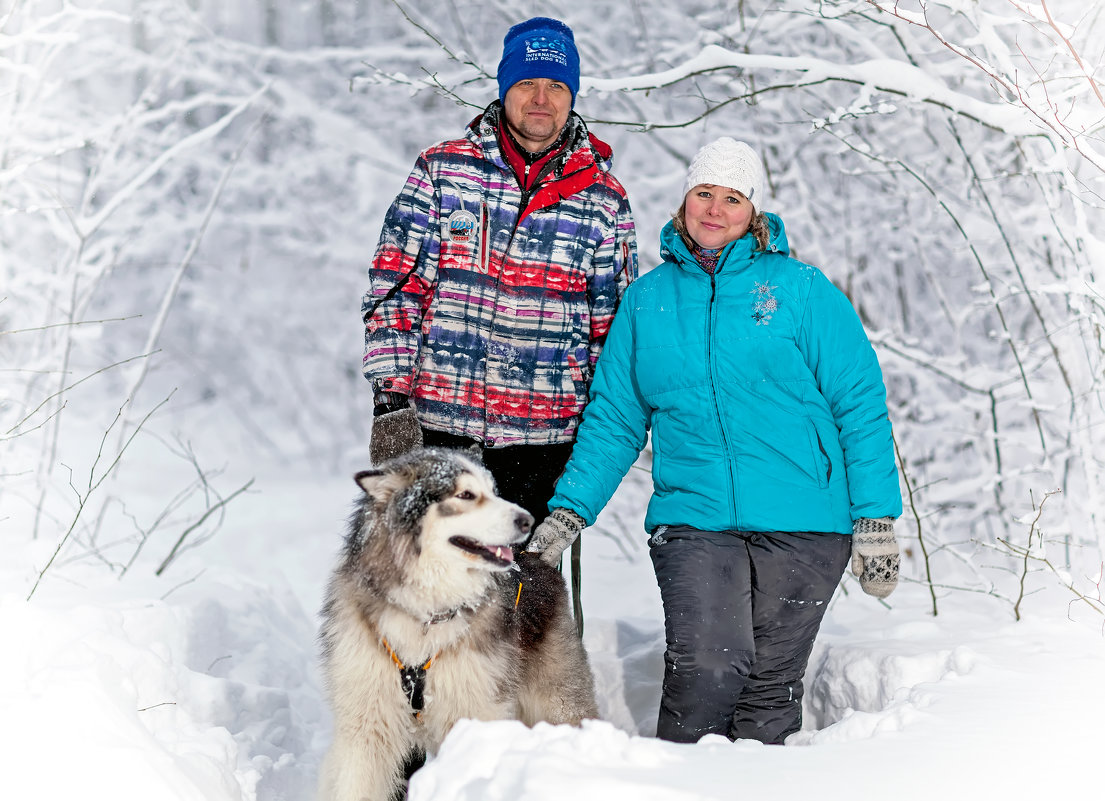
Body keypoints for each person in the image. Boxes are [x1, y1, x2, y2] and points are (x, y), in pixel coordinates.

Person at [526, 137, 902, 745]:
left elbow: (859, 405)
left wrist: (876, 519)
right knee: (704, 668)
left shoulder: (800, 291)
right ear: (684, 200)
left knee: (768, 689)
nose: (715, 209)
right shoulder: (648, 301)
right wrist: (572, 509)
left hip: (806, 520)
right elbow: (616, 417)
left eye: (733, 198)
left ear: (754, 211)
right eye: (704, 193)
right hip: (694, 517)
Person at [363, 17, 638, 537]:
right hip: (438, 430)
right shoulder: (442, 172)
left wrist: (596, 442)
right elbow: (394, 289)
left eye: (556, 85)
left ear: (572, 95)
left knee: (516, 602)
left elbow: (614, 334)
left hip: (544, 443)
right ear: (504, 88)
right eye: (527, 83)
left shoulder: (604, 200)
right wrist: (391, 401)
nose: (541, 98)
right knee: (429, 590)